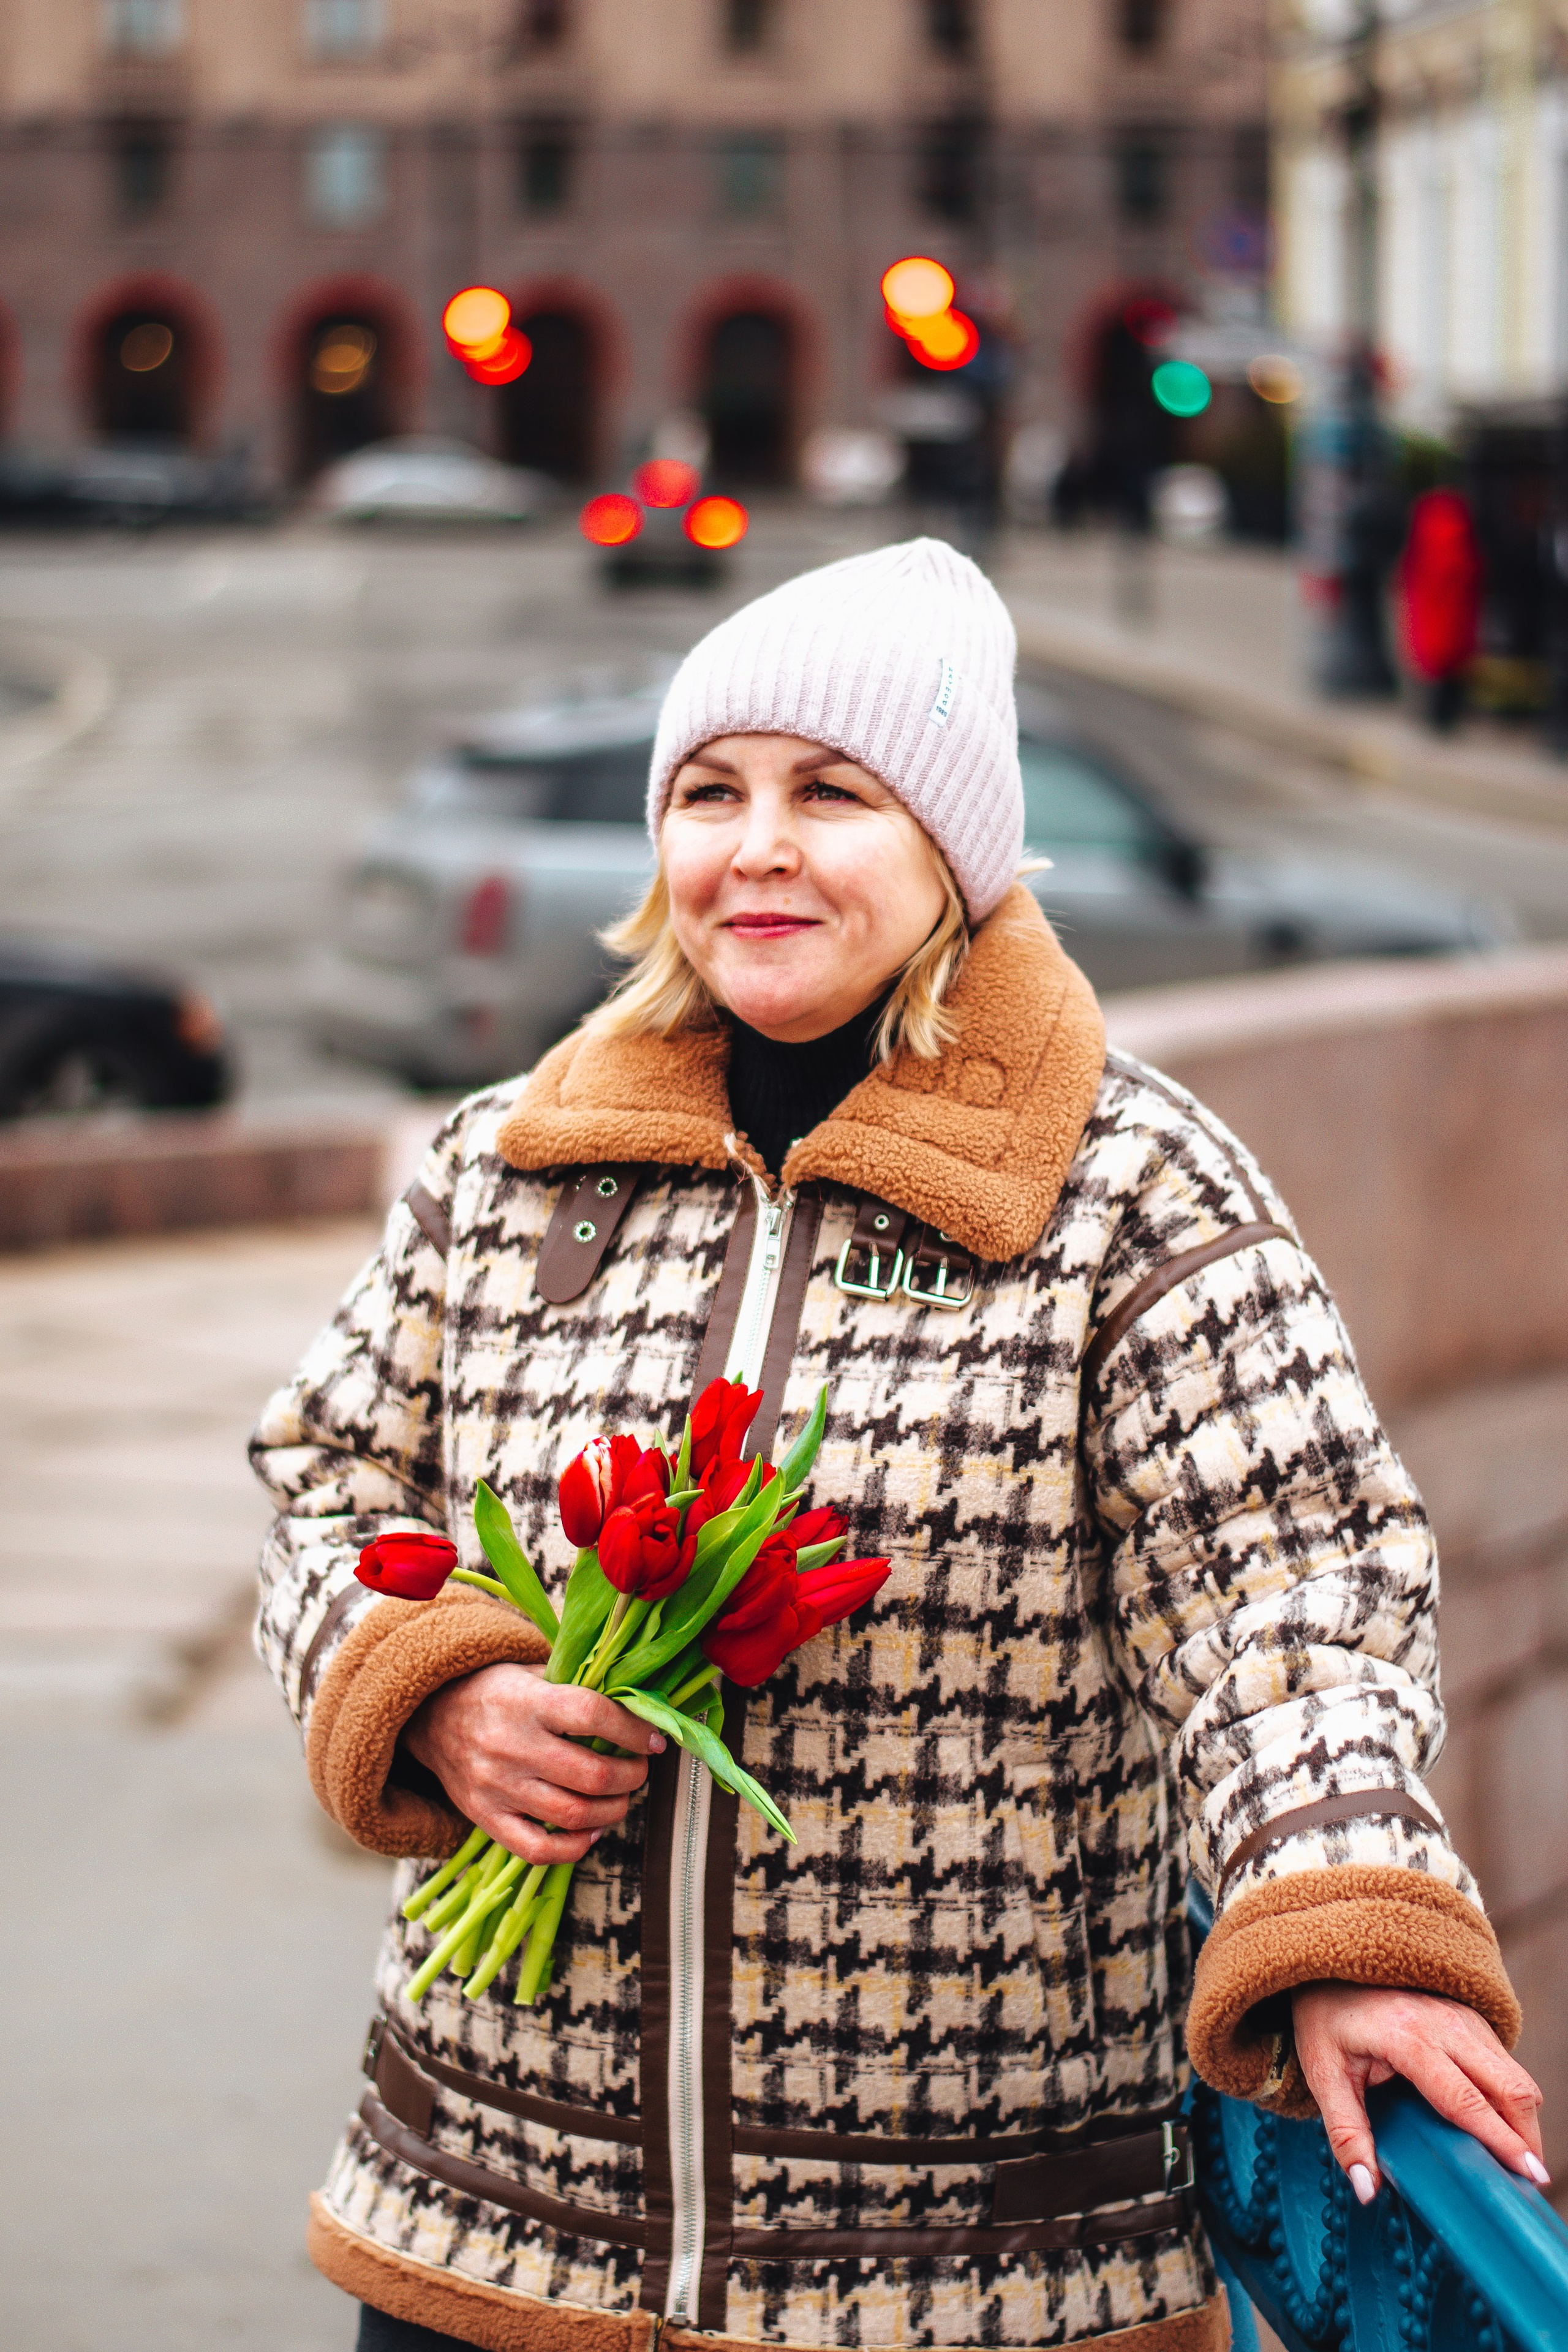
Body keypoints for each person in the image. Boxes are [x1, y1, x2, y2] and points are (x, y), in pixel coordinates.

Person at [254, 540, 1542, 2352]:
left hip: (968, 2281)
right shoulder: (509, 1165)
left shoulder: (1132, 1189)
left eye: (831, 792)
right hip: (490, 2234)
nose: (756, 844)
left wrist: (1338, 1916)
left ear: (952, 846)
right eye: (710, 791)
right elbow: (328, 1488)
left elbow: (1289, 1596)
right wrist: (428, 1681)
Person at [1398, 485, 1483, 733]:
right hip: (1452, 633)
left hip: (1434, 630)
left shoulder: (1430, 524)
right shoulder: (1460, 534)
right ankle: (1443, 716)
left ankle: (1433, 715)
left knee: (1434, 665)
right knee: (1448, 666)